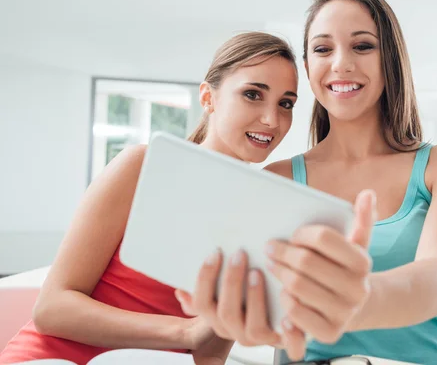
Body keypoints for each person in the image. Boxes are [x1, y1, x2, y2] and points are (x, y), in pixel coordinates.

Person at [177, 0, 437, 365]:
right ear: (307, 68)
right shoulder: (277, 180)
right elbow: (245, 310)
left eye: (363, 46)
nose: (341, 64)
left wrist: (356, 299)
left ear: (391, 59)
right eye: (322, 49)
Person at [0, 31, 299, 365]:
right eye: (253, 94)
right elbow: (51, 309)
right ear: (208, 97)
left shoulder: (259, 214)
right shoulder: (142, 166)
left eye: (285, 103)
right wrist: (184, 332)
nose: (272, 119)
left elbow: (211, 351)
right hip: (56, 359)